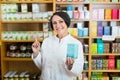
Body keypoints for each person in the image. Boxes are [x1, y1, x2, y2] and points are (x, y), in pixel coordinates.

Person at [31, 11, 84, 80]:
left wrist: (70, 66)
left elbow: (78, 71)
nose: (58, 25)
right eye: (54, 23)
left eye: (61, 21)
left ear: (66, 22)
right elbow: (42, 66)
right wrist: (36, 53)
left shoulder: (75, 43)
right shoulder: (47, 41)